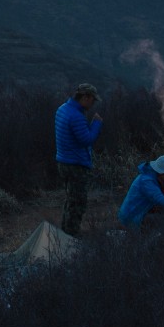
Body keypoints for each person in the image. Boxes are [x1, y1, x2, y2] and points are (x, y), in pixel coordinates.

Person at [53, 83, 103, 237]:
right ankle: (71, 236)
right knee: (78, 203)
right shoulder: (76, 116)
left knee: (70, 199)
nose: (92, 104)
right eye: (92, 100)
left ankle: (65, 233)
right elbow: (86, 140)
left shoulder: (62, 109)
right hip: (76, 165)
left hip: (63, 161)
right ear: (85, 97)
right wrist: (96, 124)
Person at [118, 154, 164, 229]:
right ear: (163, 172)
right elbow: (161, 199)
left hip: (140, 212)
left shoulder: (154, 177)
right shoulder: (147, 181)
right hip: (132, 217)